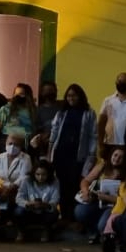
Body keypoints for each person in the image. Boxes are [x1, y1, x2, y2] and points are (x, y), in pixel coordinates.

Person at [49, 83, 98, 220]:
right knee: (62, 187)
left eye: (74, 95)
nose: (71, 98)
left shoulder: (89, 113)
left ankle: (75, 218)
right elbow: (53, 135)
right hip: (60, 155)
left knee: (75, 186)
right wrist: (49, 155)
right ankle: (64, 217)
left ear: (80, 96)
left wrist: (92, 156)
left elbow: (93, 136)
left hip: (78, 157)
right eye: (69, 96)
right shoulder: (61, 113)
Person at [75, 146, 126, 243]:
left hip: (114, 206)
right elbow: (85, 181)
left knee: (102, 225)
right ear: (111, 155)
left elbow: (125, 200)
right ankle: (93, 232)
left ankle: (101, 232)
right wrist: (86, 192)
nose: (117, 158)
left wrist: (106, 197)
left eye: (121, 157)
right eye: (115, 155)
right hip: (96, 201)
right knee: (80, 211)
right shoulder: (103, 165)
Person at [15, 159, 61, 242]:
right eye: (38, 174)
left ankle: (46, 230)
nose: (40, 177)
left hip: (45, 212)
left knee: (54, 213)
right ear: (34, 174)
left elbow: (55, 199)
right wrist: (28, 203)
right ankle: (21, 231)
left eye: (44, 174)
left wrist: (45, 205)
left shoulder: (54, 181)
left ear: (49, 174)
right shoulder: (27, 180)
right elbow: (18, 198)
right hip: (29, 211)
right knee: (18, 211)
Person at [0, 132, 33, 216]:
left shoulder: (26, 158)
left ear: (21, 146)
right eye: (10, 143)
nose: (12, 147)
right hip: (0, 191)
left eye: (16, 144)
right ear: (6, 143)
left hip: (17, 192)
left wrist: (10, 188)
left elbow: (24, 177)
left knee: (18, 212)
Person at [0, 83, 37, 157]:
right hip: (7, 144)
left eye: (21, 94)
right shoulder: (6, 109)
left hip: (25, 146)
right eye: (16, 94)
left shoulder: (33, 111)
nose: (18, 97)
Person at [98, 72, 126, 157]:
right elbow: (101, 124)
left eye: (124, 82)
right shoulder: (108, 101)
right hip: (110, 144)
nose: (121, 84)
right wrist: (100, 145)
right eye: (119, 81)